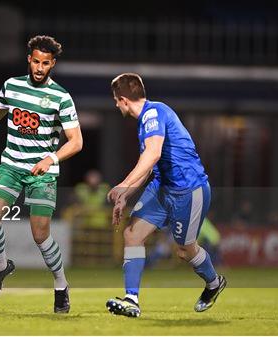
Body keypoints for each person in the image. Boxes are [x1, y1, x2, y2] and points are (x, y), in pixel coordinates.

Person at [0, 35, 83, 313]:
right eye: (36, 62)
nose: (40, 68)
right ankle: (2, 266)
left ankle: (60, 285)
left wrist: (51, 158)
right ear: (28, 60)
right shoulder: (12, 85)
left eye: (45, 63)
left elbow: (77, 141)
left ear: (52, 64)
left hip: (42, 174)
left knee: (40, 235)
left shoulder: (61, 97)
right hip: (10, 166)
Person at [105, 73, 226, 317]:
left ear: (123, 100)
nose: (116, 105)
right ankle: (132, 300)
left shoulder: (153, 113)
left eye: (116, 100)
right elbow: (149, 164)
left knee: (184, 250)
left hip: (189, 189)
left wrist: (123, 184)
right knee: (132, 234)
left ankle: (214, 283)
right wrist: (126, 195)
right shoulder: (147, 120)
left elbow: (152, 154)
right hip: (162, 188)